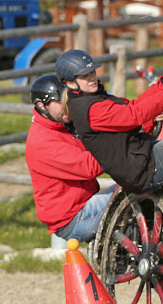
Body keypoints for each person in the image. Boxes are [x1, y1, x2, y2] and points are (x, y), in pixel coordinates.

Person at [58, 49, 163, 194]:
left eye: (92, 72)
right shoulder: (91, 108)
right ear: (71, 83)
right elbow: (134, 114)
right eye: (85, 75)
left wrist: (160, 86)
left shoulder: (91, 99)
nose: (92, 78)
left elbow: (130, 107)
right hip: (142, 170)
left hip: (141, 158)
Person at [25, 75, 116, 249]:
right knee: (137, 189)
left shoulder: (64, 125)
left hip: (84, 205)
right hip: (75, 218)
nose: (68, 105)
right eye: (61, 101)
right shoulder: (43, 141)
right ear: (41, 105)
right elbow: (90, 166)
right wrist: (120, 144)